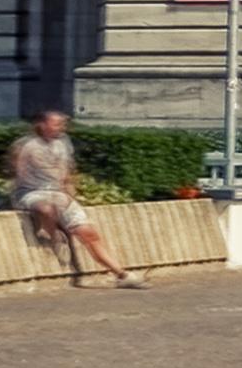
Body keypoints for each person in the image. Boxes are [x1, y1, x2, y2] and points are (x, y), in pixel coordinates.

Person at [8, 110, 147, 289]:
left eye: (62, 124)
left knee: (89, 234)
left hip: (59, 195)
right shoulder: (26, 145)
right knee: (46, 209)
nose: (61, 128)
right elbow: (17, 171)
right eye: (56, 124)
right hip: (31, 193)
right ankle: (54, 236)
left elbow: (67, 170)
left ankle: (122, 274)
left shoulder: (63, 143)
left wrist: (69, 192)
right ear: (42, 125)